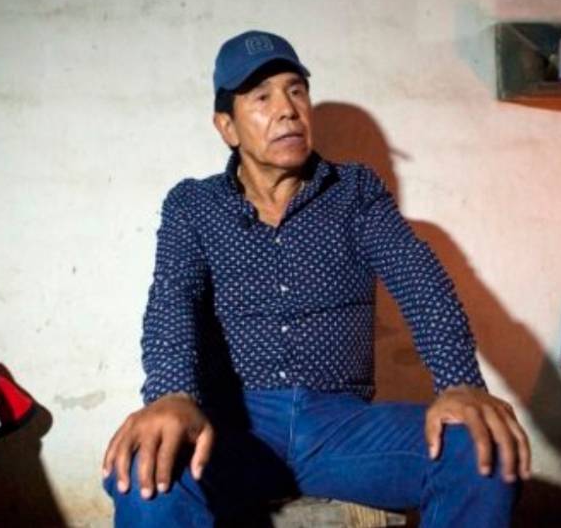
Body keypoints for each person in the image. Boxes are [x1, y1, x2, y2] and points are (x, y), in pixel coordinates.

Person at [101, 30, 531, 527]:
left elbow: (420, 281)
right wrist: (171, 395)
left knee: (481, 447)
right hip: (235, 430)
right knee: (143, 470)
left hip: (343, 430)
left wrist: (459, 382)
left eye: (296, 91)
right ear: (227, 127)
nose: (287, 109)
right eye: (262, 97)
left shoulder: (356, 192)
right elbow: (172, 298)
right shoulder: (193, 206)